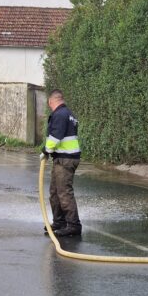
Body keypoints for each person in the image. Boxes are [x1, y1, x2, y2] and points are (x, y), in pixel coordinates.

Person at [42, 89, 82, 237]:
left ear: (51, 101)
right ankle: (59, 222)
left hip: (66, 159)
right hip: (62, 158)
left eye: (49, 104)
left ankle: (73, 225)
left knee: (64, 192)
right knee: (55, 192)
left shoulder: (60, 114)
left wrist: (46, 150)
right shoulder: (69, 114)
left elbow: (55, 137)